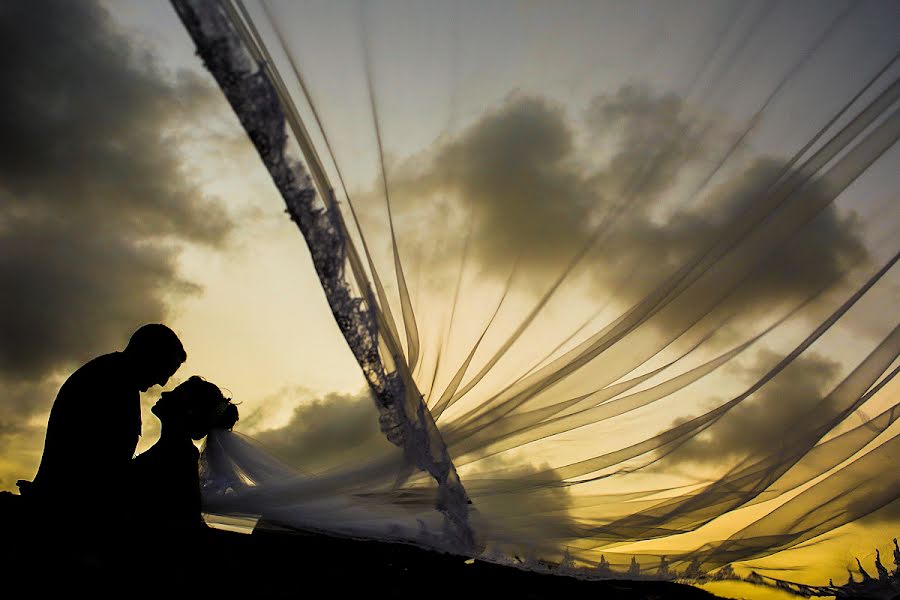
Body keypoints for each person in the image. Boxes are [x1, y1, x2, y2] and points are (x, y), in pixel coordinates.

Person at [19, 324, 187, 522]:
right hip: (68, 509)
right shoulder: (112, 382)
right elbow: (103, 466)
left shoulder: (113, 376)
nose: (163, 382)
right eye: (165, 368)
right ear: (148, 354)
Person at [130, 375, 238, 535]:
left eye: (175, 394)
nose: (164, 394)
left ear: (189, 411)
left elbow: (186, 518)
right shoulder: (174, 449)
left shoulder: (181, 455)